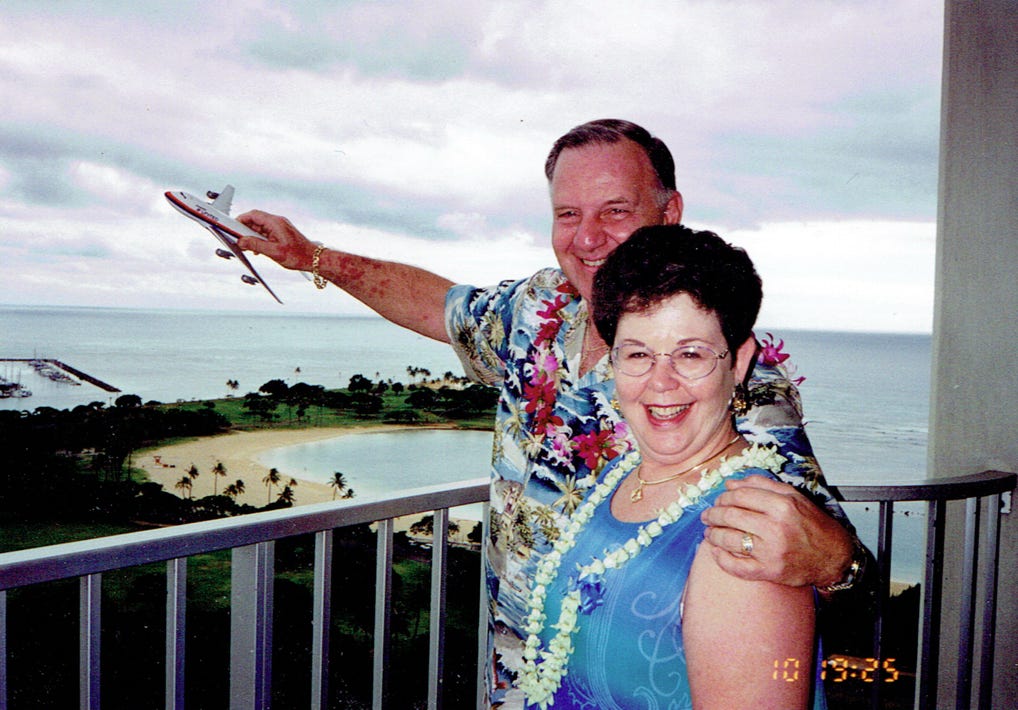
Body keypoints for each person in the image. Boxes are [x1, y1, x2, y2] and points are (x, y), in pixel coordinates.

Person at [236, 119, 863, 706]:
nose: (587, 238)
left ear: (669, 213)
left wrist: (838, 563)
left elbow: (811, 550)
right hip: (514, 674)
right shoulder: (539, 307)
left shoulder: (734, 381)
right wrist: (311, 257)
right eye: (568, 214)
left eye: (615, 211)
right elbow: (440, 307)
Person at [515, 223, 824, 709]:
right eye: (638, 353)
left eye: (691, 354)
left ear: (739, 362)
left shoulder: (744, 536)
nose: (661, 382)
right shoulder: (622, 475)